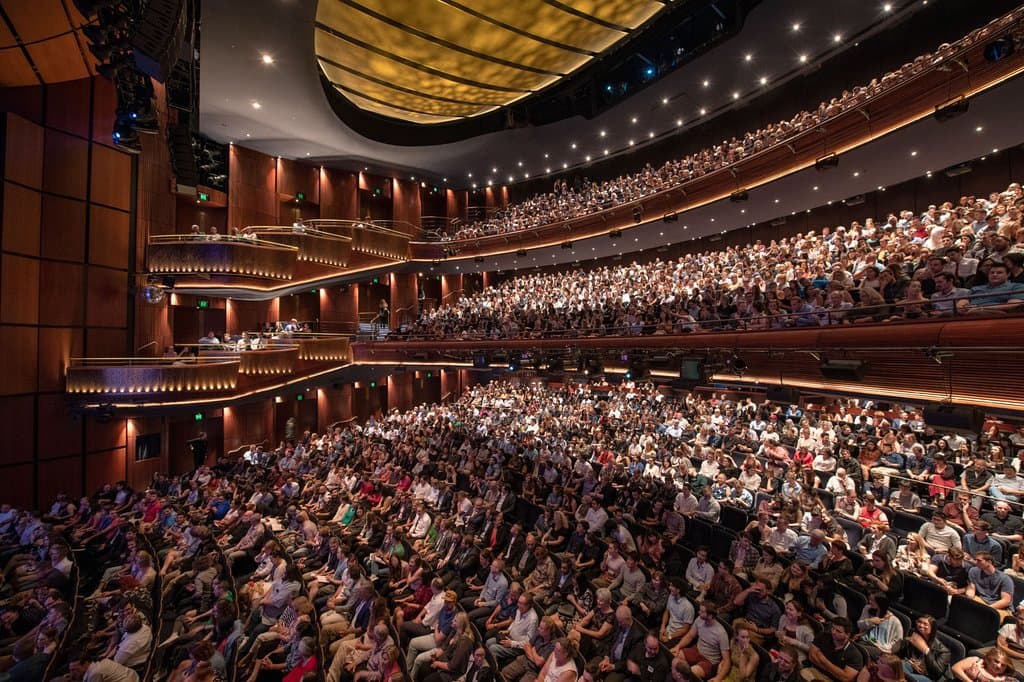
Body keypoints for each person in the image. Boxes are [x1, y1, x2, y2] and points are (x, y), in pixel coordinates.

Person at [804, 617, 863, 682]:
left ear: (847, 635)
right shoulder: (823, 636)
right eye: (833, 628)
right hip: (816, 672)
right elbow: (812, 656)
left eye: (838, 631)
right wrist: (833, 671)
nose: (833, 632)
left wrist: (823, 660)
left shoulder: (855, 655)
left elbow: (846, 678)